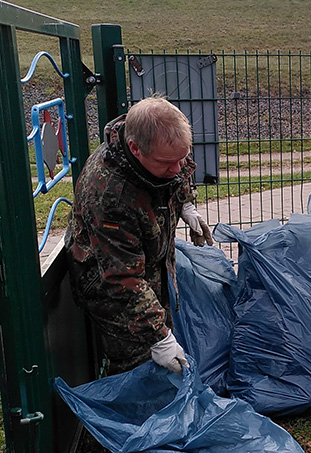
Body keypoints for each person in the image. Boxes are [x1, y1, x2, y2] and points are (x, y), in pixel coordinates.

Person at [65, 96, 214, 376]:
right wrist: (160, 337)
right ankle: (136, 417)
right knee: (137, 361)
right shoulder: (109, 194)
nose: (177, 168)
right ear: (135, 149)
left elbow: (178, 168)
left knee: (160, 343)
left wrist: (185, 203)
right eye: (167, 163)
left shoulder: (160, 146)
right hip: (108, 285)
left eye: (181, 158)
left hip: (146, 263)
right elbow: (123, 279)